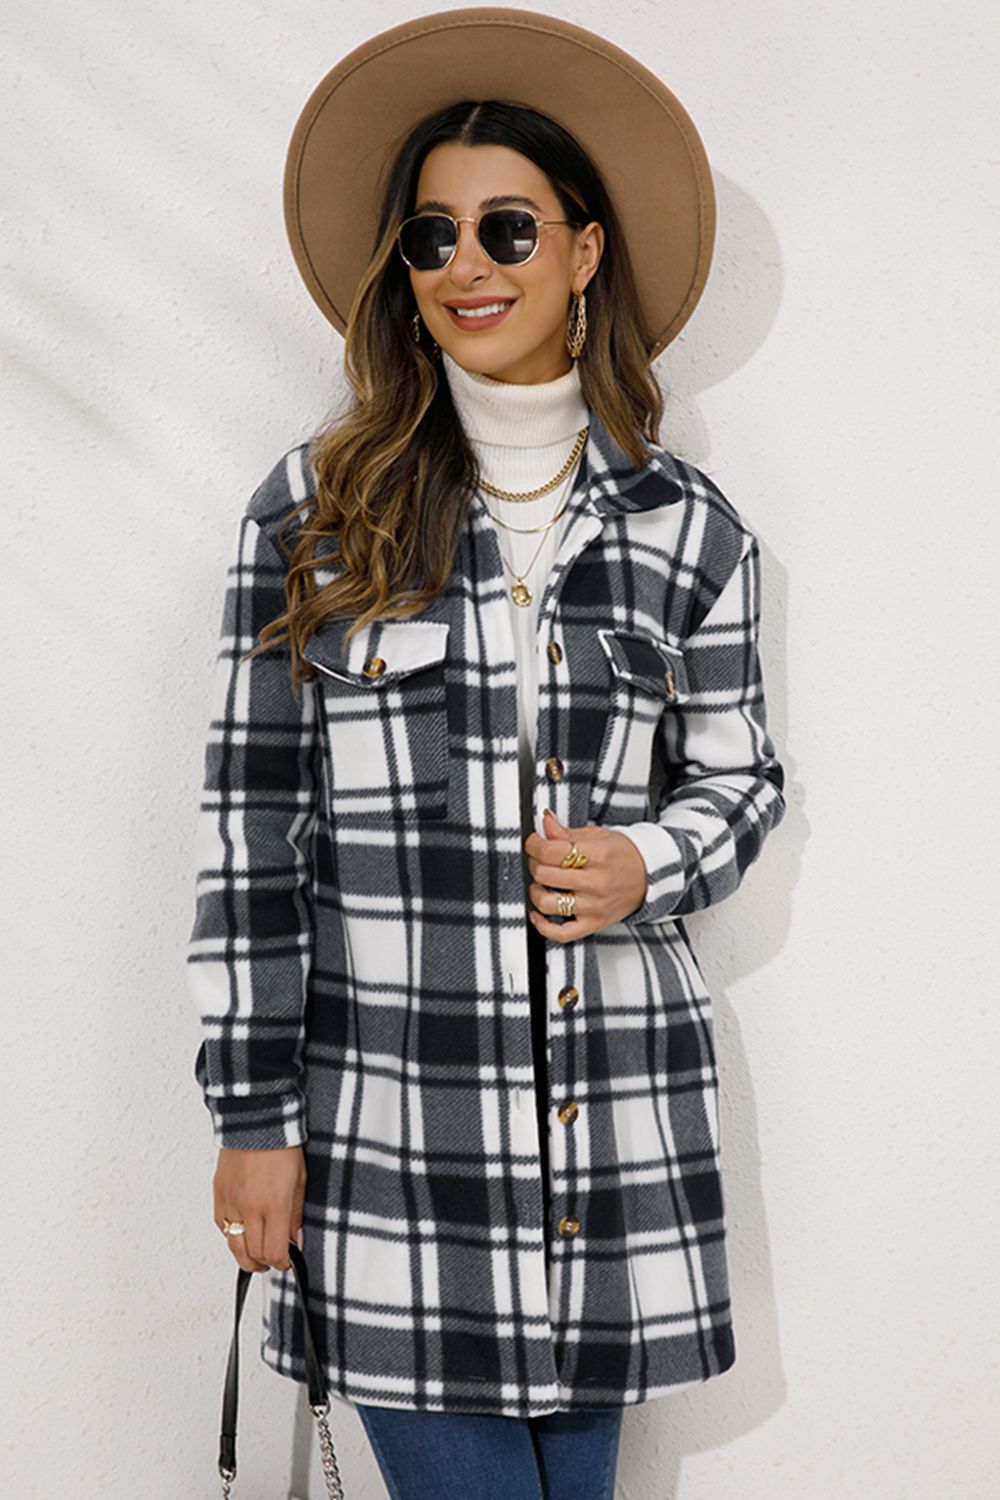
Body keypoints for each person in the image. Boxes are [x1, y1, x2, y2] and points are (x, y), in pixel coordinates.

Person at [186, 10, 786, 1498]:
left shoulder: (688, 530)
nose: (469, 264)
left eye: (508, 228)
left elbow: (742, 778)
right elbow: (251, 833)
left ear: (584, 251)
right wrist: (254, 1120)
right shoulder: (314, 515)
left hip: (610, 1142)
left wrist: (647, 859)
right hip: (395, 1137)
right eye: (432, 236)